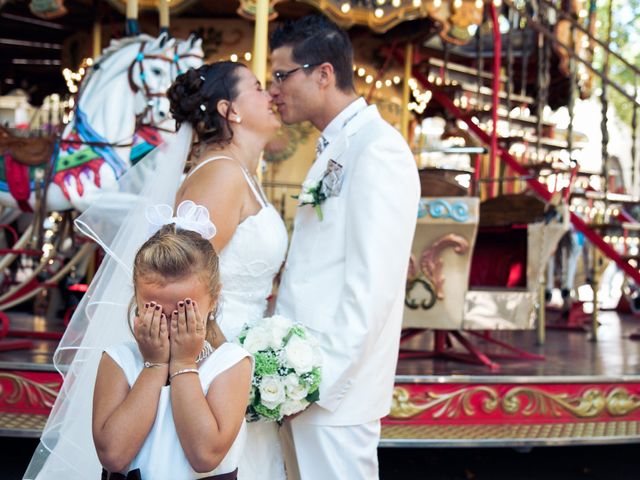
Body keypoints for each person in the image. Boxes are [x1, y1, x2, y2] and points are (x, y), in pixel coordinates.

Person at [269, 15, 420, 480]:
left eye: (281, 76)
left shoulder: (378, 150)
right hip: (299, 380)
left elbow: (372, 287)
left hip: (334, 393)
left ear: (324, 74)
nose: (273, 90)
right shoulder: (336, 145)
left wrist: (313, 384)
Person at [167, 63, 289, 479]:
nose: (271, 93)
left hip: (241, 354)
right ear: (229, 109)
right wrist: (228, 362)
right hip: (216, 360)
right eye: (258, 87)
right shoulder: (221, 176)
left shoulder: (240, 174)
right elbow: (179, 283)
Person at [93, 219, 252, 479]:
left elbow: (204, 456)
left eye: (183, 312)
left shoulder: (231, 363)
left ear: (213, 299)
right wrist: (154, 365)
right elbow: (113, 455)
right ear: (137, 295)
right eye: (154, 310)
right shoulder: (118, 360)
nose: (168, 323)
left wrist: (183, 363)